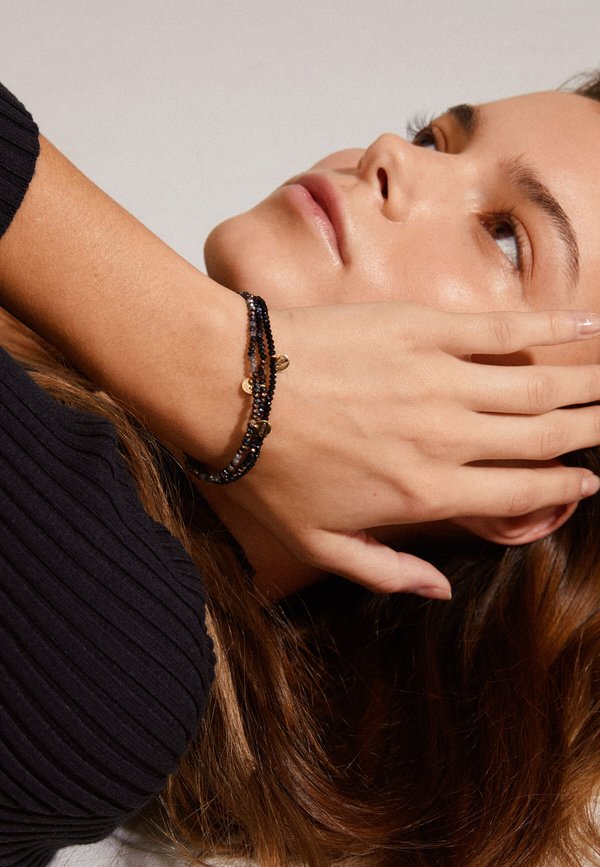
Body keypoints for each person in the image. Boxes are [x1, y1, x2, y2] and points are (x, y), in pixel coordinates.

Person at [2, 72, 600, 867]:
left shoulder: (106, 661)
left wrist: (224, 366)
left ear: (519, 491)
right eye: (433, 137)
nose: (390, 154)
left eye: (506, 237)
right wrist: (214, 360)